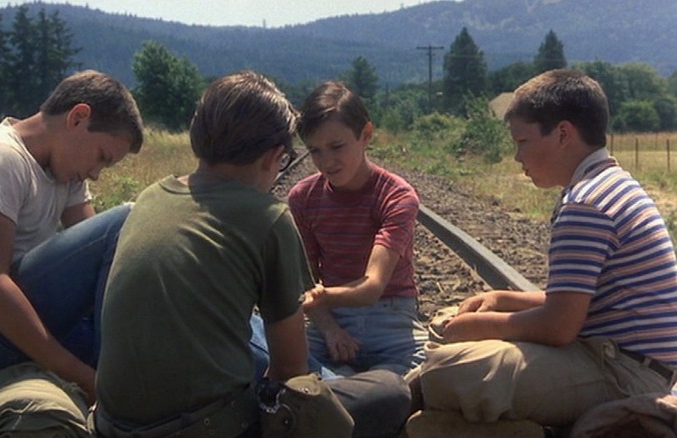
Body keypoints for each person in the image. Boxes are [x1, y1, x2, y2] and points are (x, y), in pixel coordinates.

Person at [92, 71, 410, 438]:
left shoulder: (151, 195)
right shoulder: (268, 218)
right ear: (273, 157)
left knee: (255, 329)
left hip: (111, 425)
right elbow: (291, 376)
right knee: (390, 391)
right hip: (210, 428)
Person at [406, 69, 677, 435]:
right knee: (447, 329)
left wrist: (486, 326)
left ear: (563, 134)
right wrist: (502, 299)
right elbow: (574, 302)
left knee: (447, 371)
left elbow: (559, 326)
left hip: (625, 372)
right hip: (614, 355)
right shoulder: (602, 186)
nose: (518, 156)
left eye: (523, 141)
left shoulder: (587, 204)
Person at [0, 69, 144, 434]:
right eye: (101, 157)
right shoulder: (0, 156)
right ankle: (112, 407)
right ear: (78, 117)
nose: (96, 173)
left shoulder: (62, 173)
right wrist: (84, 375)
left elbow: (99, 261)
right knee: (124, 221)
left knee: (145, 350)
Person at [287, 80, 427, 376]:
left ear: (365, 135)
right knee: (284, 359)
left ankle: (346, 387)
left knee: (434, 367)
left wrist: (321, 296)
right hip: (332, 319)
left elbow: (372, 286)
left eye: (337, 147)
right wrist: (330, 329)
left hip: (391, 319)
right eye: (315, 151)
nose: (326, 162)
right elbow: (307, 278)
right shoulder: (303, 198)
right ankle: (370, 388)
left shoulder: (396, 196)